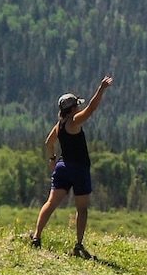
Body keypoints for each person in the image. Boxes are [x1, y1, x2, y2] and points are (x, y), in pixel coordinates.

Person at [32, 74, 112, 256]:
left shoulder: (60, 125)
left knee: (51, 203)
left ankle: (37, 236)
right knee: (82, 209)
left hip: (62, 167)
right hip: (79, 169)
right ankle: (78, 245)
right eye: (77, 105)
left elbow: (48, 143)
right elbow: (91, 109)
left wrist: (52, 160)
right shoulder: (74, 121)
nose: (79, 107)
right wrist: (101, 89)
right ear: (73, 108)